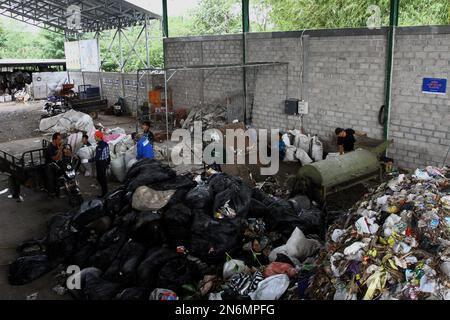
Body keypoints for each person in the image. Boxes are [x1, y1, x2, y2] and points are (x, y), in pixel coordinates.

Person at [86, 131, 110, 198]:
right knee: (102, 177)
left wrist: (88, 160)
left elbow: (97, 157)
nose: (94, 137)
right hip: (104, 162)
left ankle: (104, 193)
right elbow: (108, 155)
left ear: (99, 137)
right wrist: (108, 162)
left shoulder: (100, 146)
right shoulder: (106, 144)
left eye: (95, 136)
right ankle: (105, 190)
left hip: (100, 163)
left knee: (101, 178)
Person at [45, 132, 64, 197]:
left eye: (60, 139)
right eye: (59, 140)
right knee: (51, 178)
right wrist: (60, 151)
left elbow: (65, 152)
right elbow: (55, 158)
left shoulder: (59, 145)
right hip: (50, 164)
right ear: (54, 140)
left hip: (57, 163)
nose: (60, 141)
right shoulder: (50, 148)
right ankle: (51, 192)